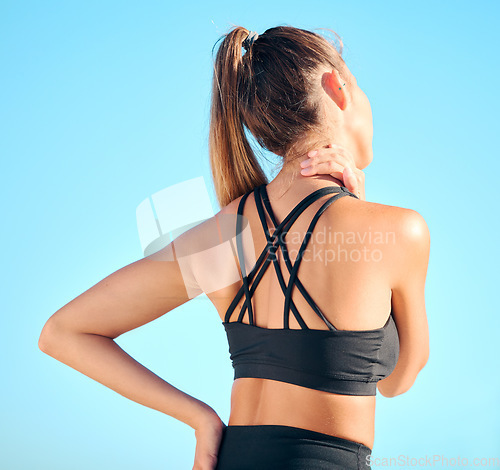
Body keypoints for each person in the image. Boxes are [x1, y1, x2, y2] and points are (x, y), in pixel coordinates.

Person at [38, 25, 430, 470]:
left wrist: (201, 419)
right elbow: (398, 381)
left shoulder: (222, 236)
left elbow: (63, 332)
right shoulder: (399, 231)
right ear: (338, 89)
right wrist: (356, 209)